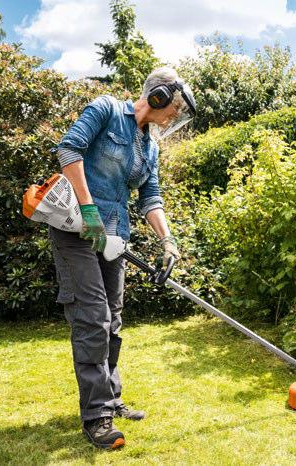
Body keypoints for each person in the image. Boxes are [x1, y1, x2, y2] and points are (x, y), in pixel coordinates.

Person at [48, 67, 196, 449]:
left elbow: (151, 197)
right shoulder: (106, 110)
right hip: (77, 229)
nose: (172, 118)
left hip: (115, 237)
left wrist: (169, 241)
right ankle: (96, 417)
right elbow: (68, 150)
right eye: (173, 110)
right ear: (158, 97)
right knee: (92, 316)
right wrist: (90, 213)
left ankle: (111, 400)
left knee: (112, 318)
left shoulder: (151, 146)